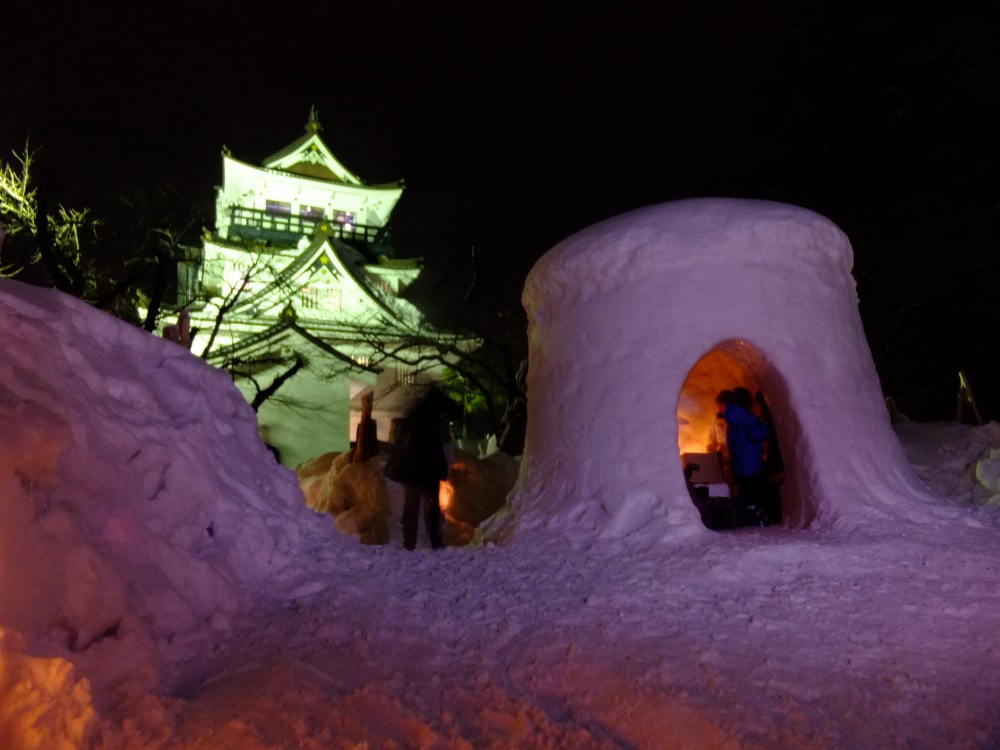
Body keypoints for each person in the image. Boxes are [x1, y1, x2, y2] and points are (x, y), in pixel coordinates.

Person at [383, 386, 462, 550]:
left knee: (413, 506)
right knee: (431, 505)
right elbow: (455, 411)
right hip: (428, 465)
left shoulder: (415, 411)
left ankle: (410, 543)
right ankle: (433, 541)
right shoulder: (431, 410)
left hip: (413, 466)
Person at [723, 386, 771, 527]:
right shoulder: (748, 418)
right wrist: (765, 426)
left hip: (738, 464)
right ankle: (755, 519)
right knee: (757, 492)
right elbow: (755, 435)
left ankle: (746, 517)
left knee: (745, 492)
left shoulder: (732, 418)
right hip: (751, 465)